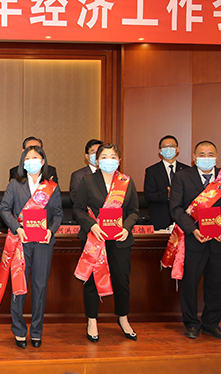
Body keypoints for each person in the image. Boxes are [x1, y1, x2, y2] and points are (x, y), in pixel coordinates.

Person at [171, 141, 221, 341]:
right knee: (190, 284)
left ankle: (212, 324)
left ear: (217, 157)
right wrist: (193, 230)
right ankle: (191, 324)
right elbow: (176, 209)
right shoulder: (182, 177)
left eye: (210, 154)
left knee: (216, 284)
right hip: (193, 241)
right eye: (202, 154)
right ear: (194, 157)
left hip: (219, 241)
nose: (206, 158)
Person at [73, 143, 138, 343]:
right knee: (92, 281)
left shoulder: (126, 182)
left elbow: (134, 211)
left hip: (120, 239)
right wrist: (92, 225)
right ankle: (92, 320)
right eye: (104, 157)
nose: (108, 160)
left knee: (122, 280)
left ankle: (123, 318)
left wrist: (126, 228)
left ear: (119, 160)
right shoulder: (88, 181)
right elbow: (78, 209)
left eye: (113, 157)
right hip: (95, 238)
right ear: (96, 160)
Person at [0, 145, 63, 349]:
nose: (32, 161)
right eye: (28, 158)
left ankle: (36, 331)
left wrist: (51, 230)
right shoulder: (15, 184)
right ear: (23, 163)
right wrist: (17, 228)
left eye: (36, 157)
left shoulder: (51, 186)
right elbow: (4, 209)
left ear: (43, 161)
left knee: (40, 287)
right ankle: (19, 330)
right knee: (19, 287)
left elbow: (58, 214)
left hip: (43, 243)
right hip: (21, 242)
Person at [144, 135, 190, 231]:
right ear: (160, 151)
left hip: (182, 219)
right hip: (160, 219)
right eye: (165, 147)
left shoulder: (187, 170)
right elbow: (149, 196)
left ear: (177, 149)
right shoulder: (152, 171)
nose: (168, 149)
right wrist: (168, 195)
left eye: (172, 146)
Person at [68, 139, 102, 205]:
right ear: (87, 156)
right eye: (93, 152)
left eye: (99, 152)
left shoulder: (110, 174)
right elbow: (75, 199)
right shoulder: (78, 175)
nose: (96, 155)